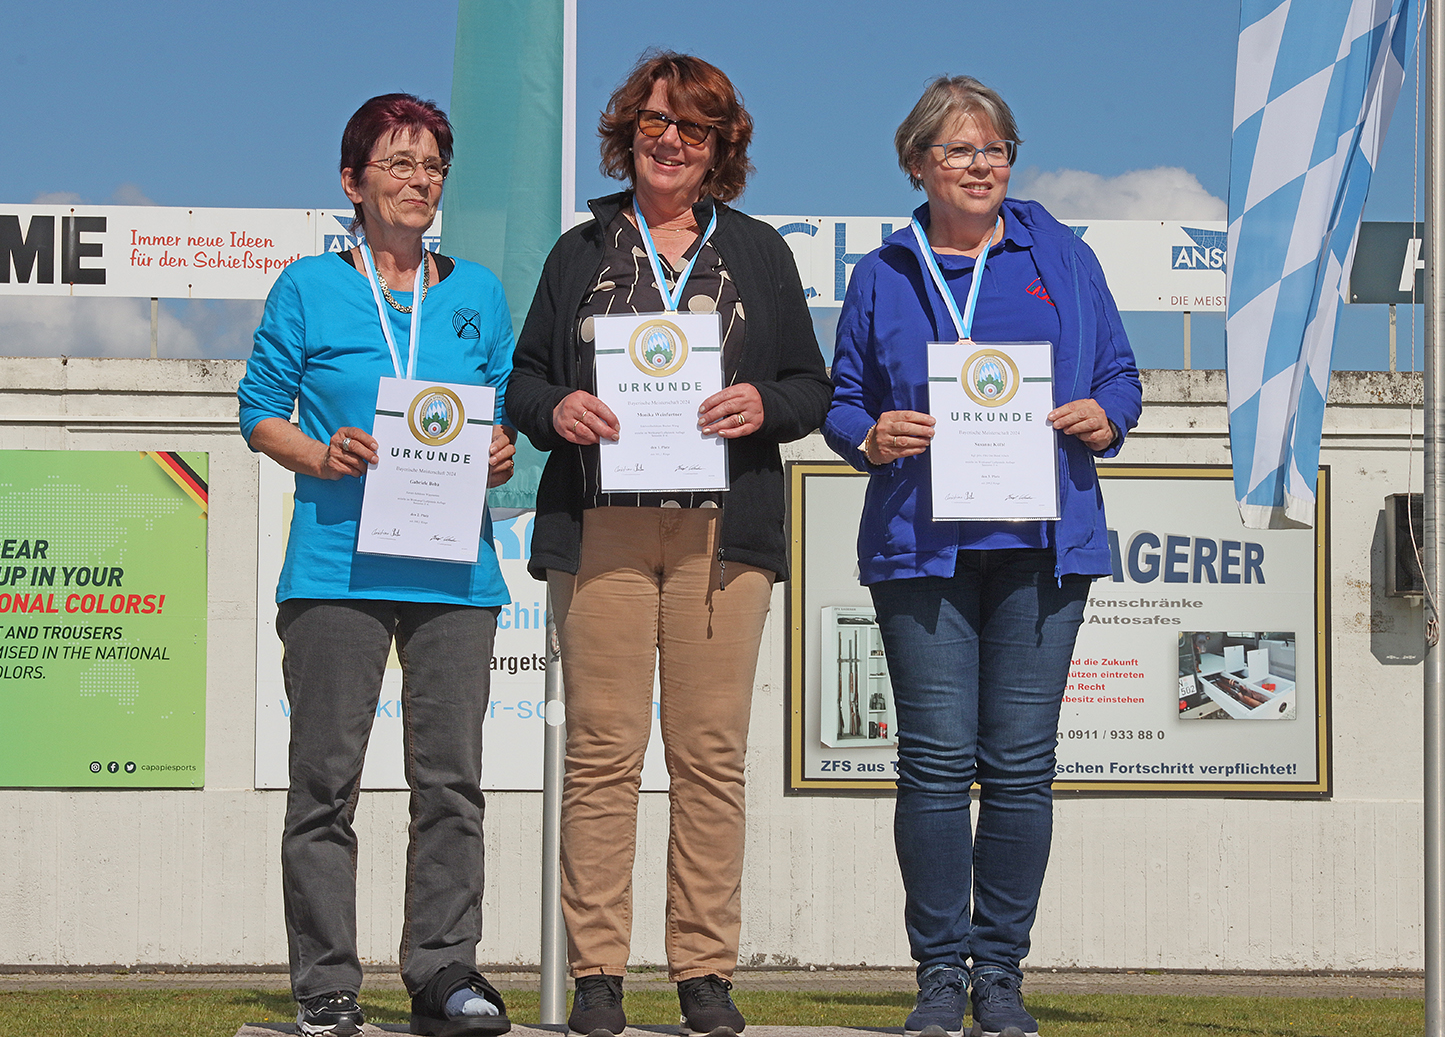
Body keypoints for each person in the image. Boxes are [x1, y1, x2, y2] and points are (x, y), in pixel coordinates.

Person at [507, 52, 831, 1037]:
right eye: (654, 121)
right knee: (602, 752)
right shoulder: (581, 249)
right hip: (601, 521)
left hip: (722, 532)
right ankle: (598, 974)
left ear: (720, 144)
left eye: (693, 127)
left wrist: (762, 402)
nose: (671, 141)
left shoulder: (759, 252)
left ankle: (704, 972)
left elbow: (811, 388)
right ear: (627, 132)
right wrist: (556, 409)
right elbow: (523, 381)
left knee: (710, 756)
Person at [822, 75, 1141, 1037]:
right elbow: (843, 400)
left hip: (1043, 545)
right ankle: (936, 974)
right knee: (931, 763)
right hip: (923, 548)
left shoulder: (1063, 256)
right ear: (918, 163)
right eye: (959, 149)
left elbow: (1121, 376)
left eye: (995, 148)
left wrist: (1107, 416)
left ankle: (998, 972)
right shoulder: (885, 270)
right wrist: (868, 435)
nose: (981, 165)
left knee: (1020, 767)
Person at [238, 93, 518, 1037]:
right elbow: (259, 411)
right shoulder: (309, 287)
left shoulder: (477, 294)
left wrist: (502, 448)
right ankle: (326, 984)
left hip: (454, 573)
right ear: (353, 182)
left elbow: (501, 413)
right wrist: (319, 455)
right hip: (336, 571)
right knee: (324, 785)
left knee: (452, 786)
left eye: (433, 165)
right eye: (399, 163)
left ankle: (444, 974)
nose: (419, 180)